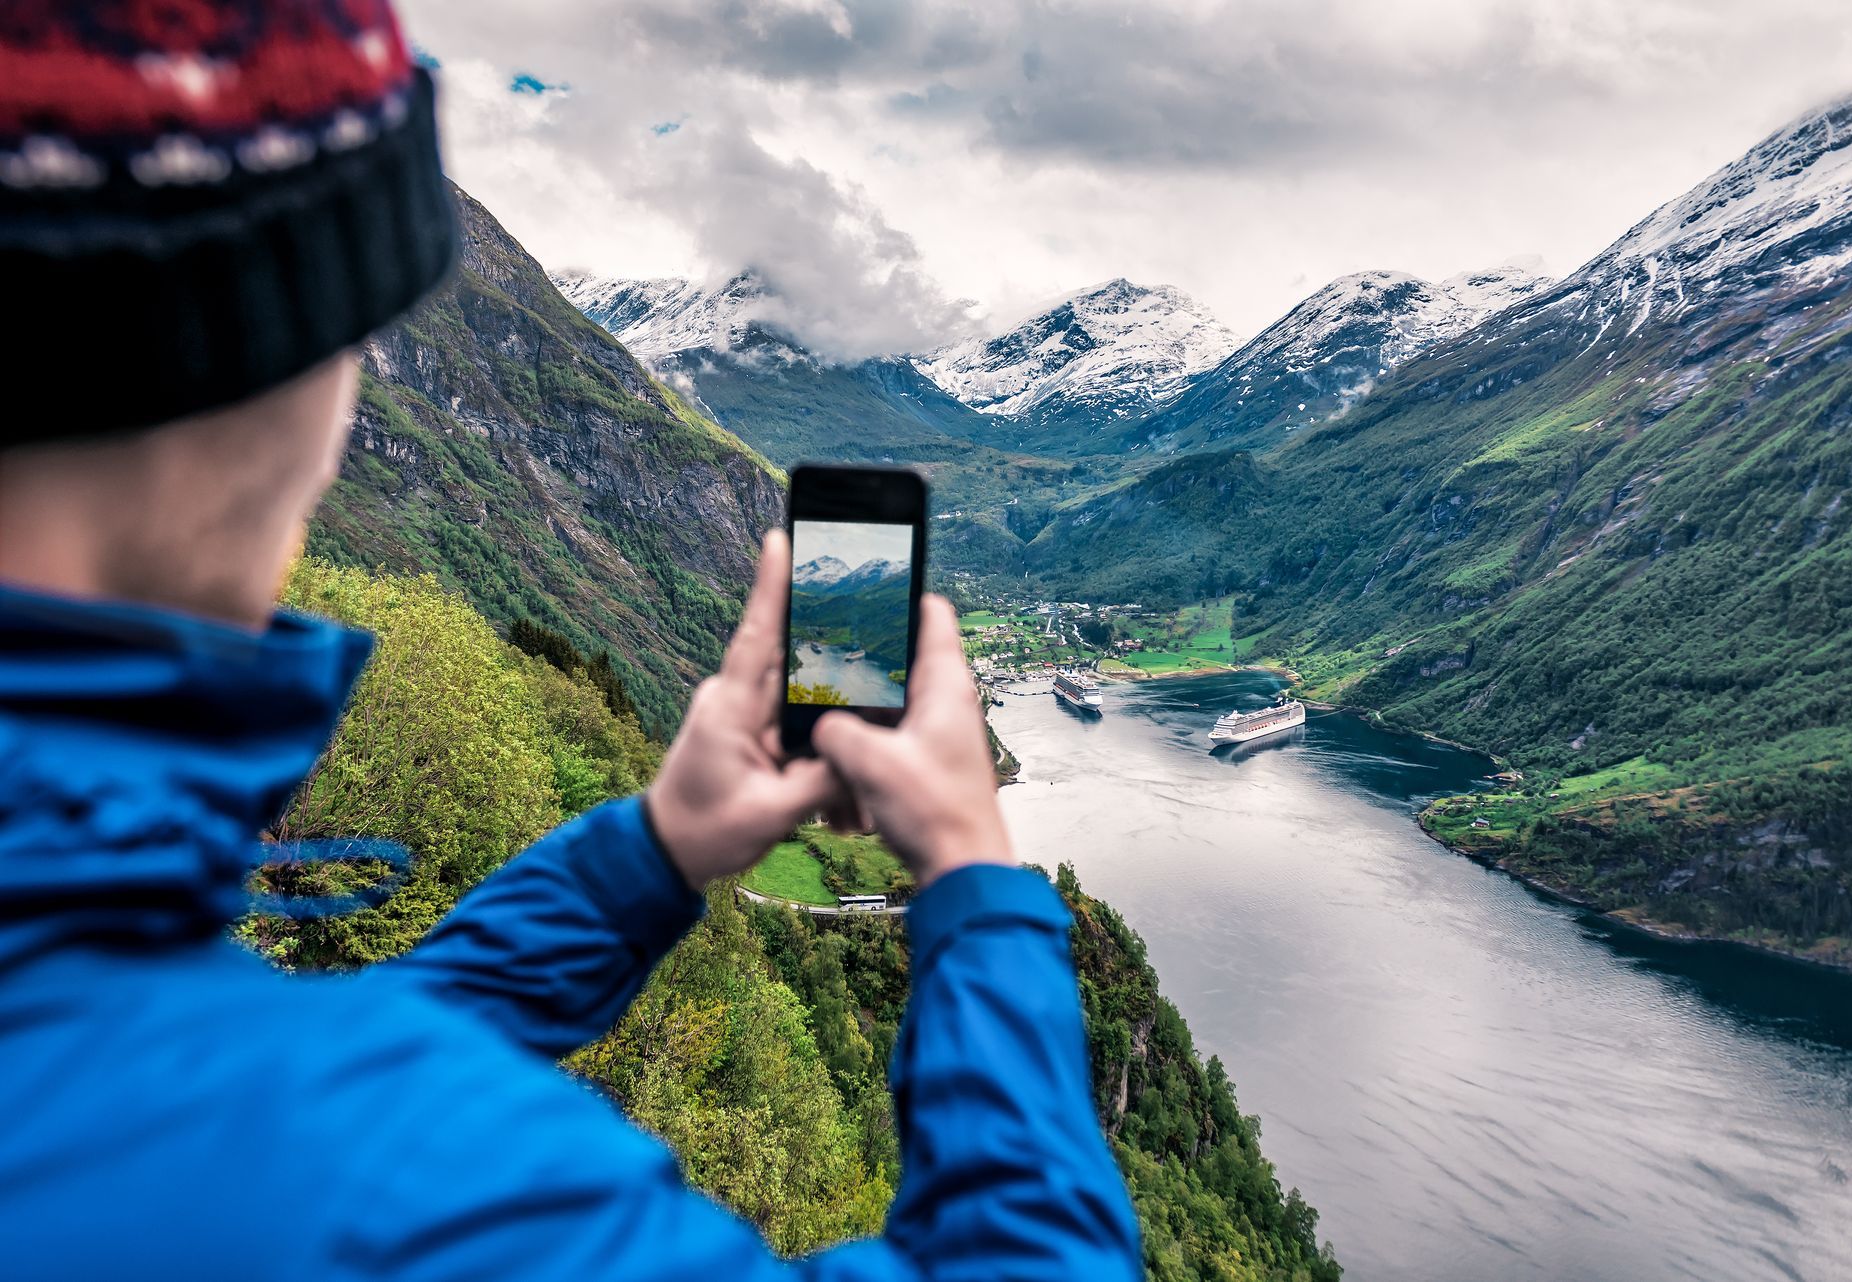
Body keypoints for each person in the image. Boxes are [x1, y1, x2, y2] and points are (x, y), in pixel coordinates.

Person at [0, 3, 1141, 1280]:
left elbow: (215, 1077)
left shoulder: (145, 1079)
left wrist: (651, 852)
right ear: (285, 374)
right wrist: (975, 881)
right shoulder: (438, 1202)